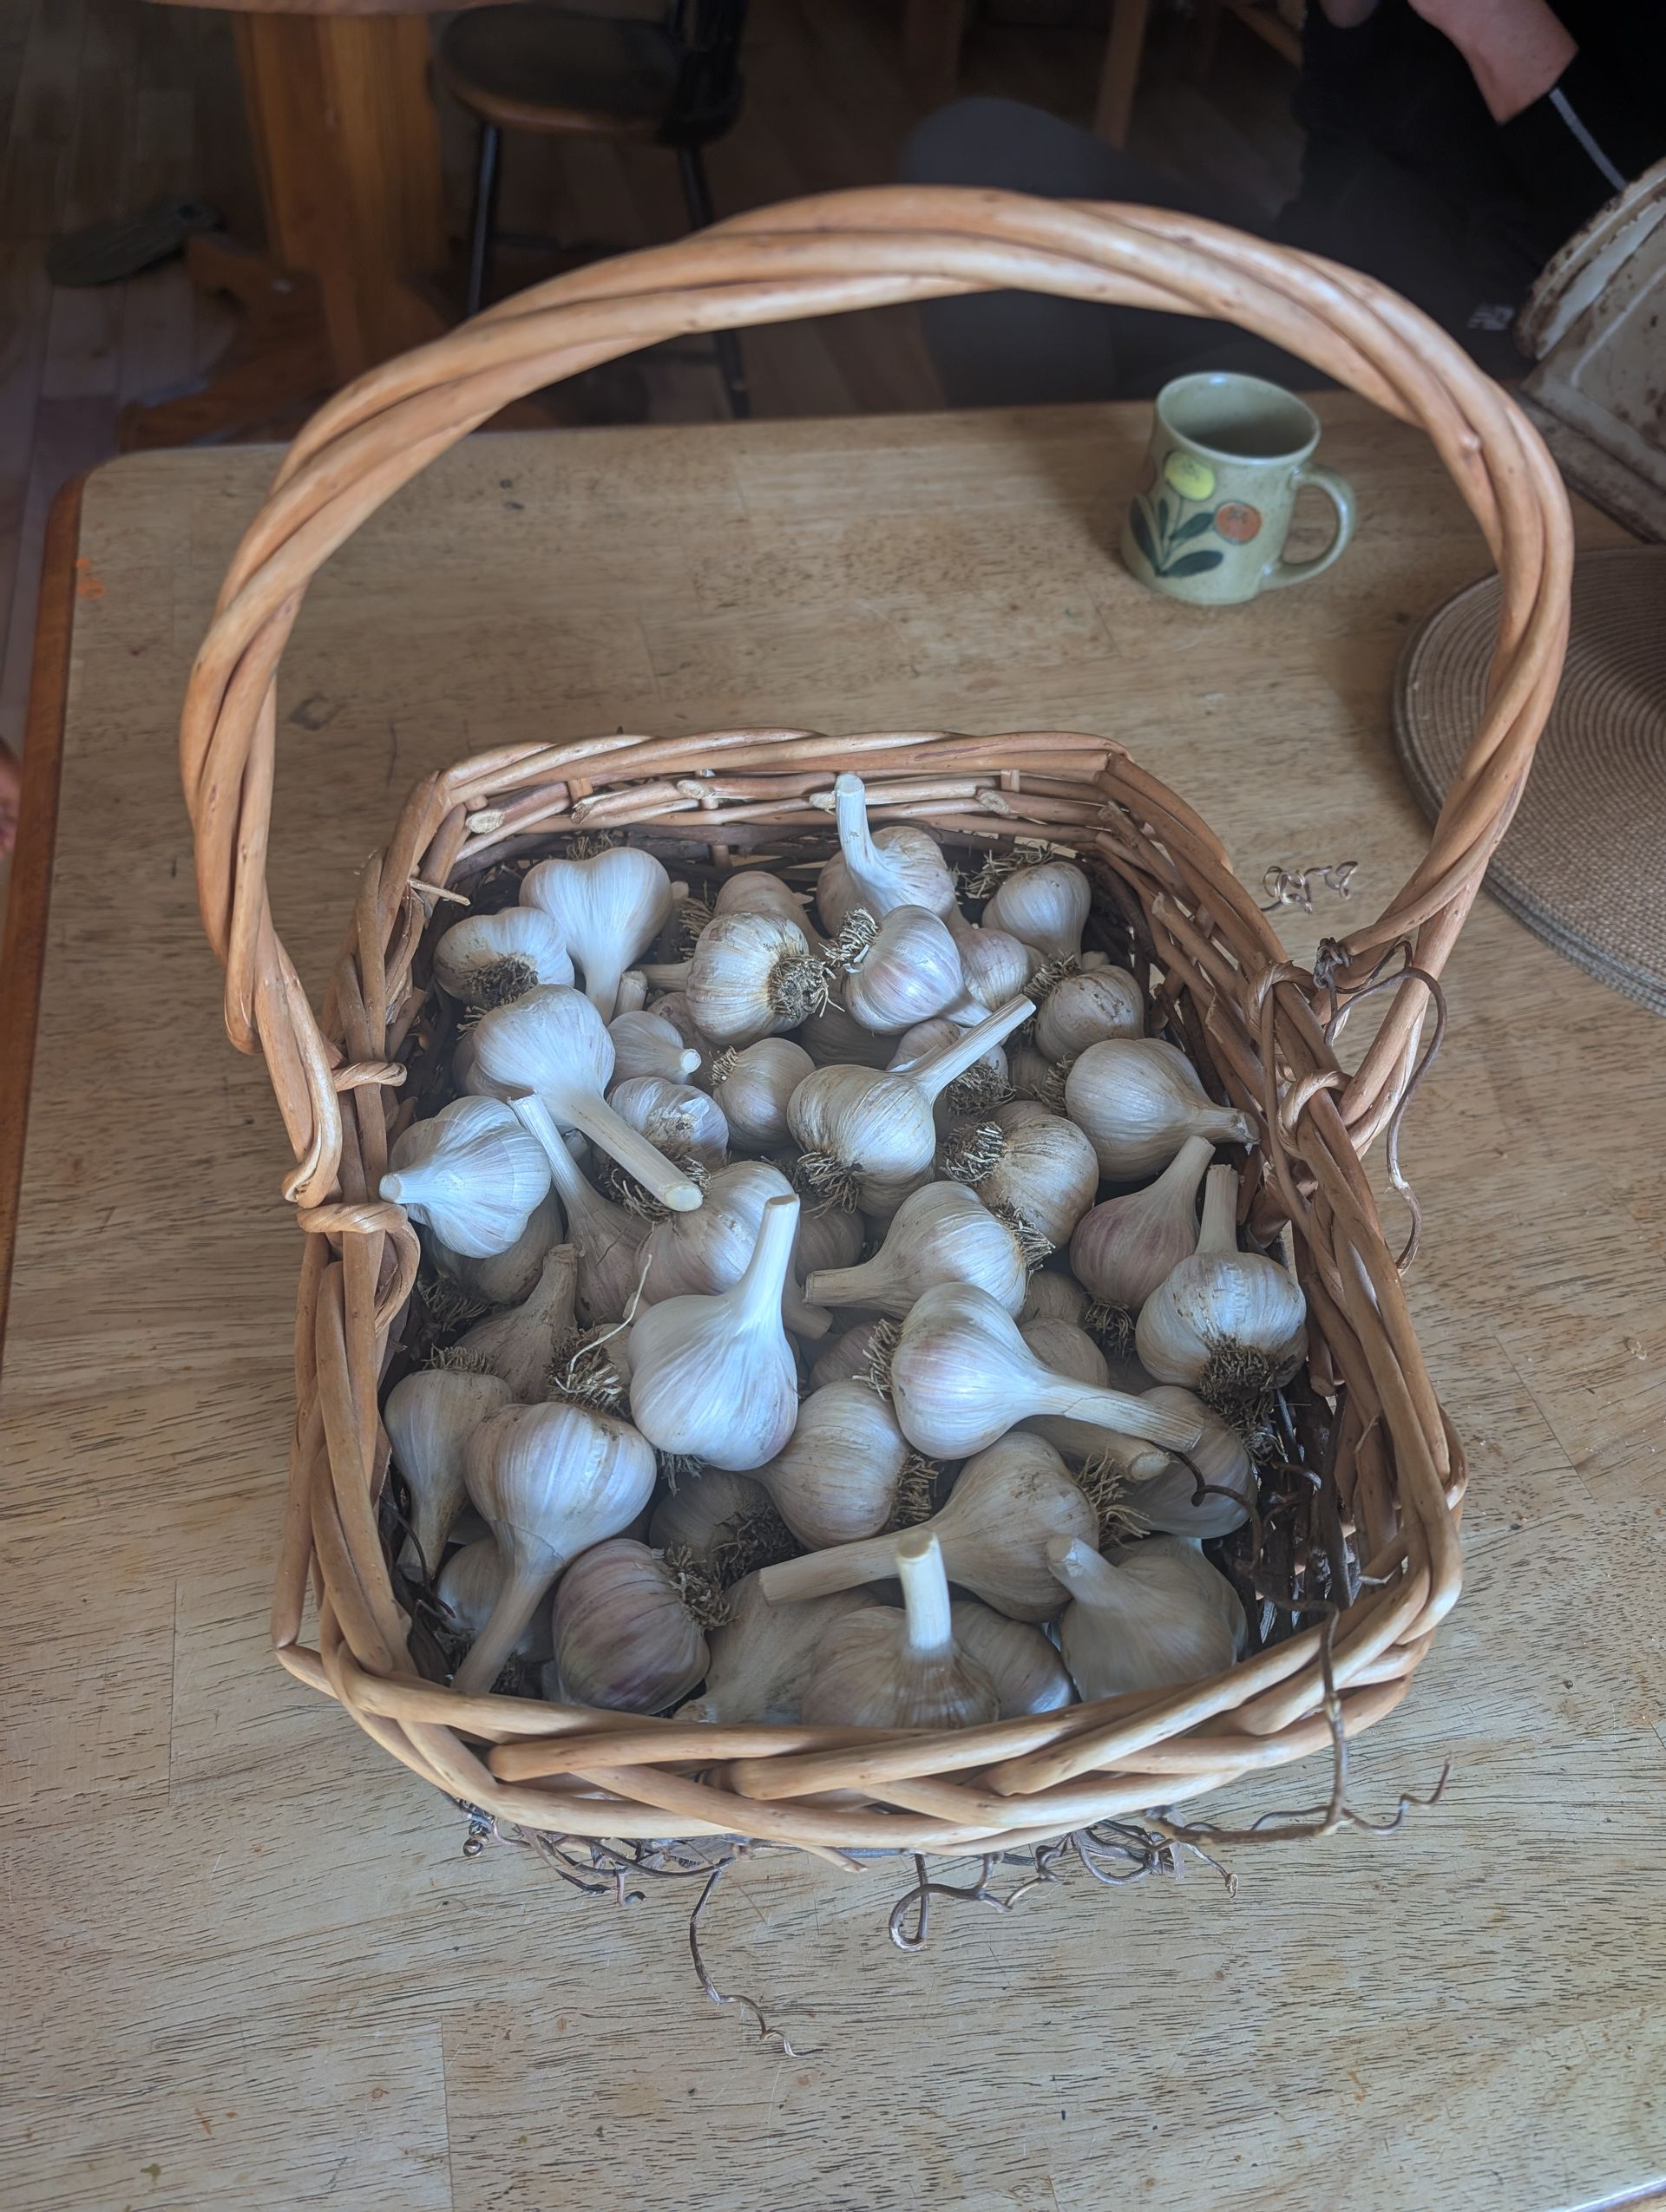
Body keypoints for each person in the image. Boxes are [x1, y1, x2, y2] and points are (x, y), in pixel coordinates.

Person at [899, 0, 1666, 405]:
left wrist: (1491, 20)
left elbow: (1640, 265)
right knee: (973, 156)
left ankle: (1072, 518)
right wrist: (1349, 16)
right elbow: (1336, 129)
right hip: (1316, 269)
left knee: (1163, 439)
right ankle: (1069, 500)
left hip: (1474, 363)